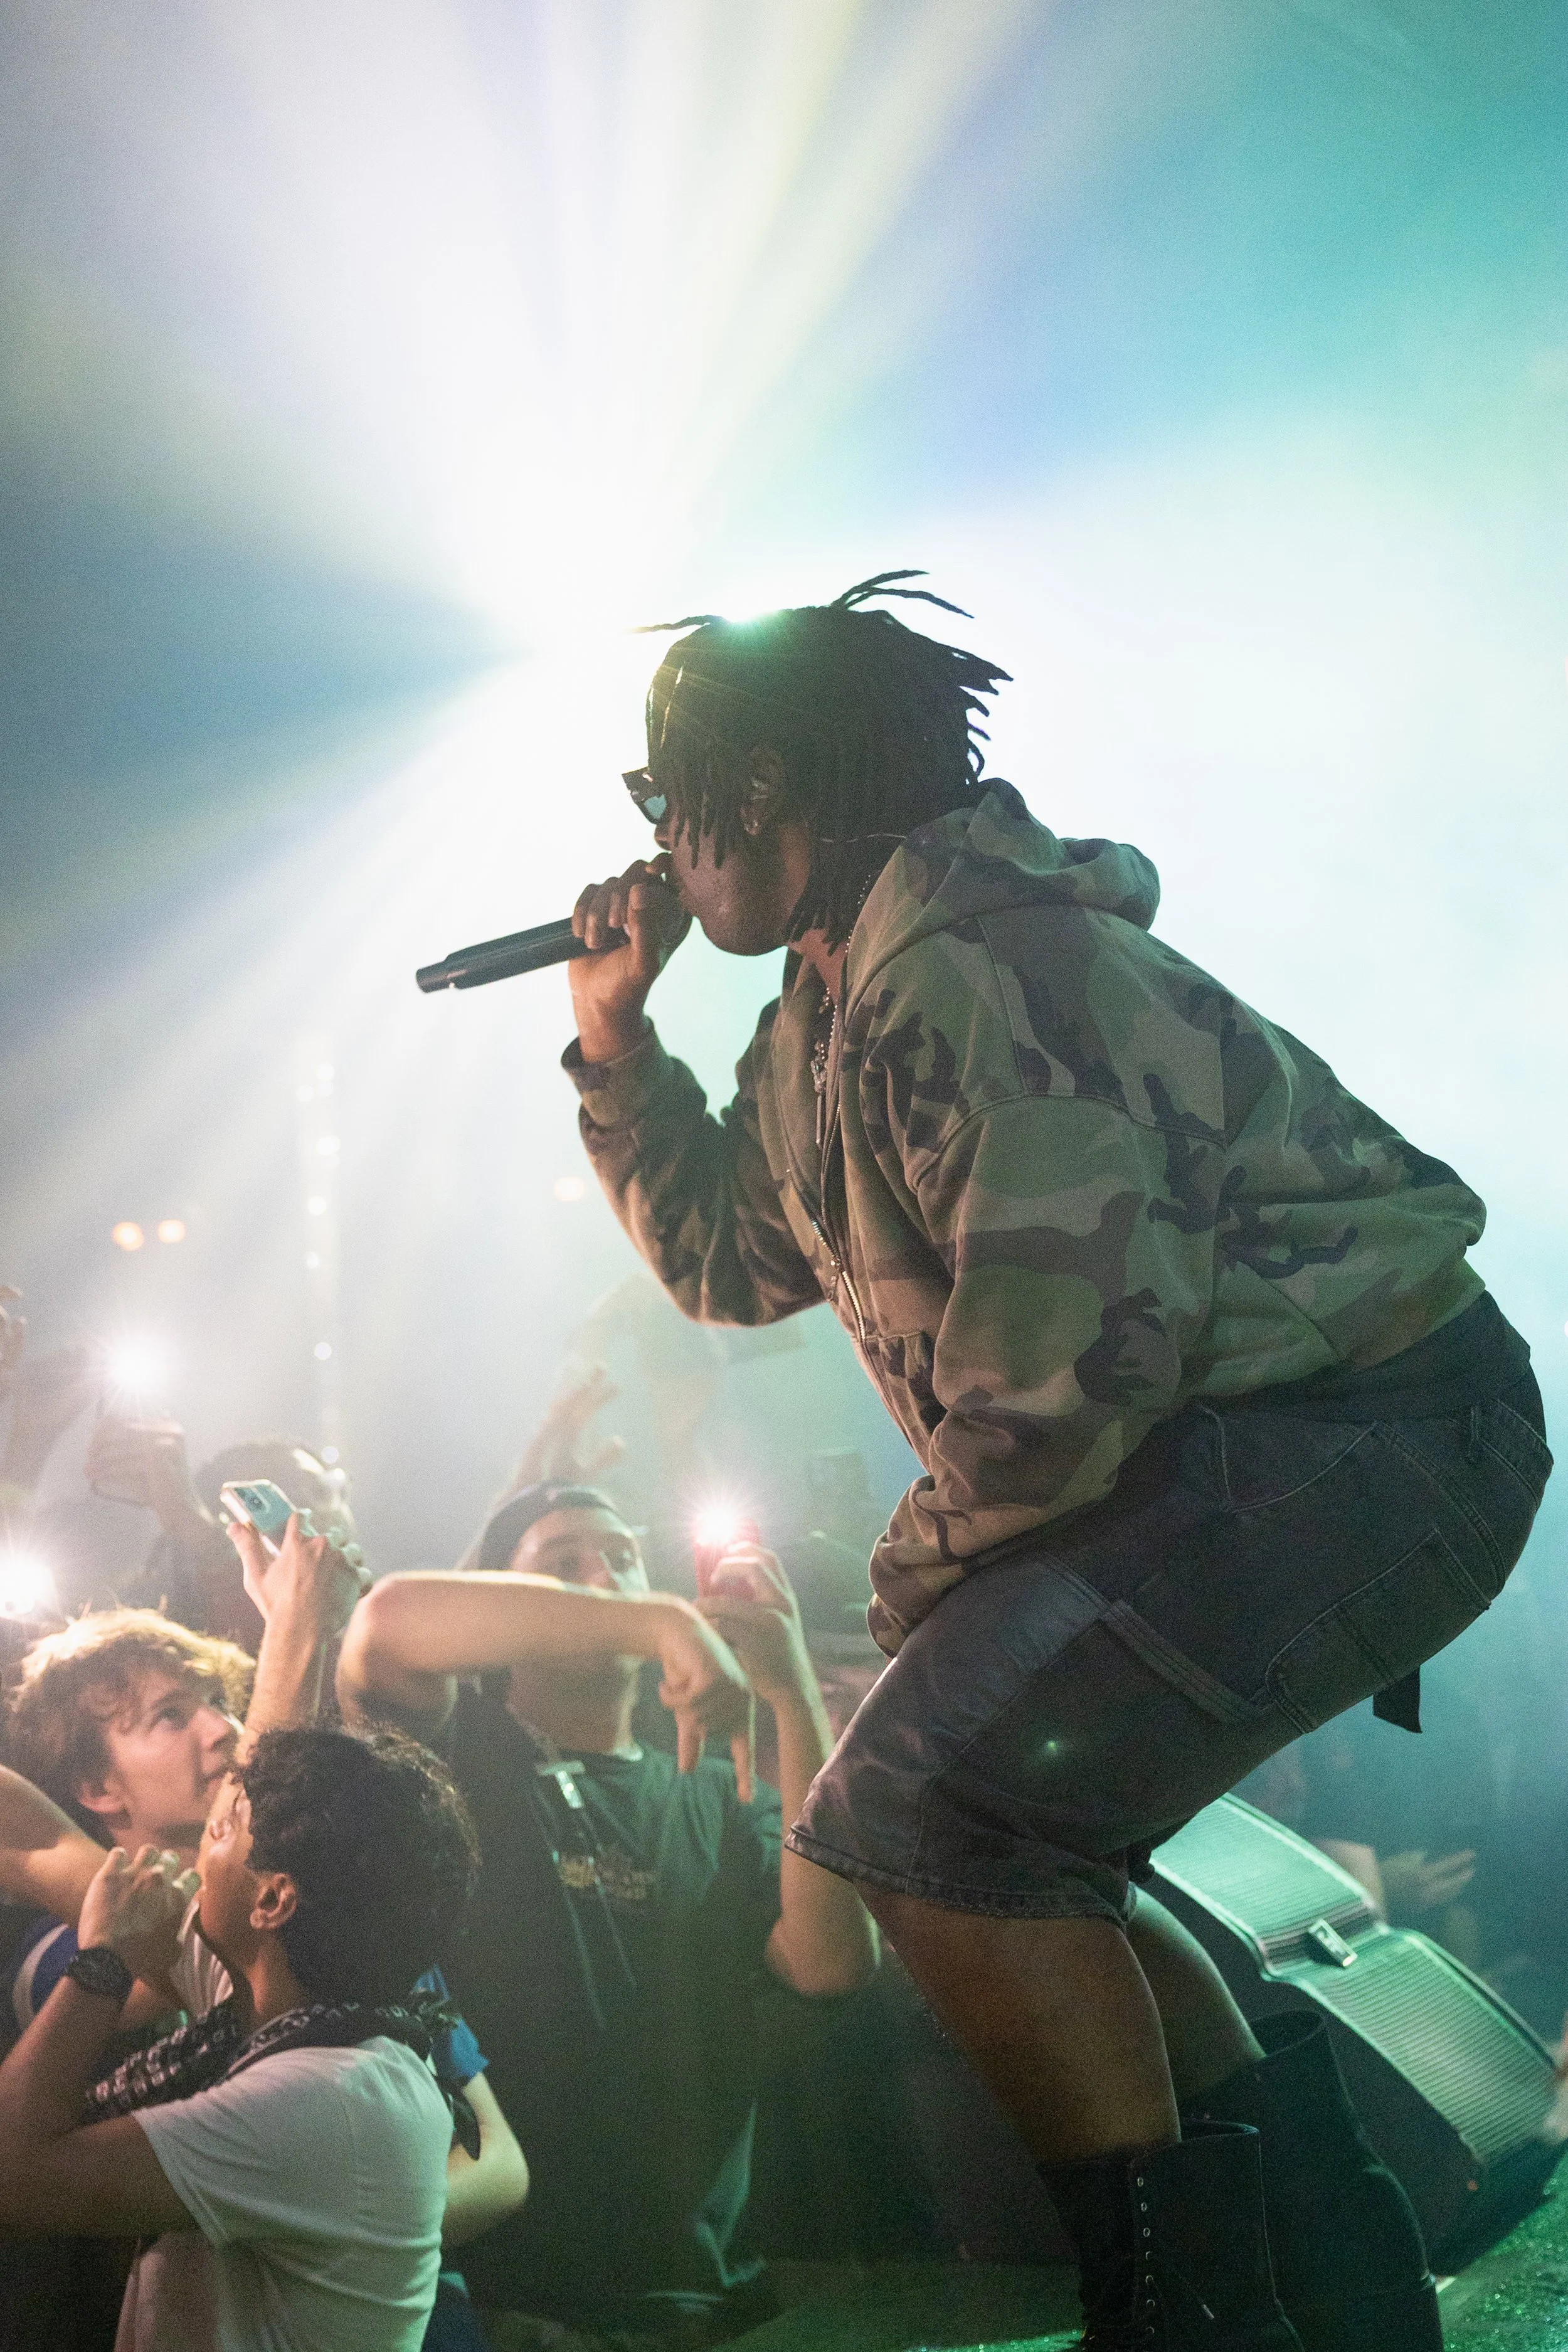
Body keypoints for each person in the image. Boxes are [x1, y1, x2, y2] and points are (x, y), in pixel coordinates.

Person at [557, 573, 1554, 2351]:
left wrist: (906, 1591)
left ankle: (1180, 2313)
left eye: (662, 805)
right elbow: (727, 1261)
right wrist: (619, 1046)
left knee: (926, 1807)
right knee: (1007, 1829)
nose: (660, 851)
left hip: (1374, 1433)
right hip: (1243, 1449)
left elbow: (1066, 1372)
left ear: (760, 790)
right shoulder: (824, 1014)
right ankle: (1320, 2272)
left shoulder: (976, 967)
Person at [337, 1481, 878, 2345]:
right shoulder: (460, 1752)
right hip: (515, 2296)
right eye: (562, 1563)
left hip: (704, 2290)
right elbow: (386, 1621)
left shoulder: (713, 1786)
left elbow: (832, 1961)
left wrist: (791, 1686)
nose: (605, 1573)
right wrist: (658, 1619)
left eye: (623, 1553)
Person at [0, 1513, 524, 2352]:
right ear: (96, 1783)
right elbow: (29, 1834)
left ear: (276, 1896)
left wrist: (297, 1626)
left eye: (221, 1702)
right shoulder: (280, 1975)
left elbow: (504, 2164)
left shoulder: (329, 2081)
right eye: (173, 1713)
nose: (224, 1731)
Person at [0, 1722, 480, 2352]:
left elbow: (12, 2179)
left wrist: (105, 1962)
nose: (197, 1860)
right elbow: (40, 1842)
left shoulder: (332, 2099)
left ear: (274, 1899)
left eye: (220, 1832)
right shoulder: (282, 2005)